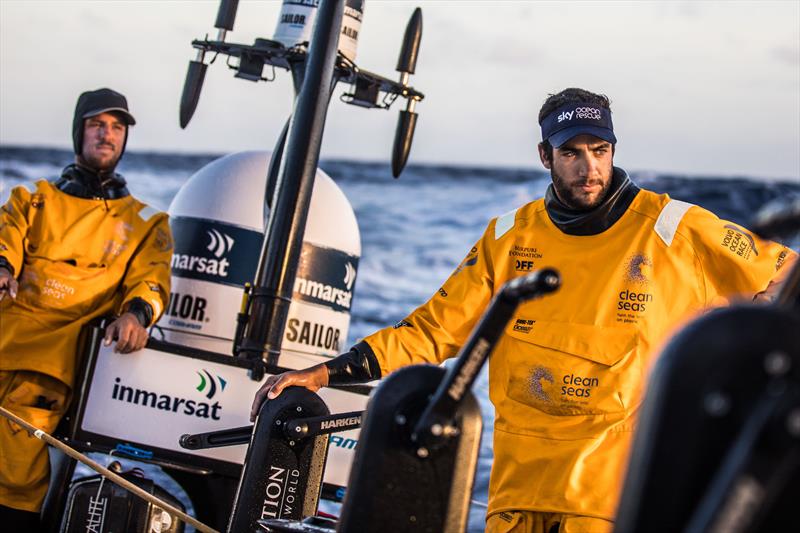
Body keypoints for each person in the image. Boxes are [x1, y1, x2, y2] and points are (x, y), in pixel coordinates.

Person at [249, 88, 797, 532]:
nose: (589, 168)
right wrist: (327, 371)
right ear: (545, 156)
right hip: (516, 495)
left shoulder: (676, 229)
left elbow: (783, 276)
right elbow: (431, 331)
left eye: (599, 150)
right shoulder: (510, 238)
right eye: (571, 153)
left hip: (609, 498)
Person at [0, 88, 172, 529]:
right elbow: (5, 242)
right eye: (98, 125)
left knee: (13, 482)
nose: (107, 135)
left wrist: (136, 314)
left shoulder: (146, 223)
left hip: (49, 373)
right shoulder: (31, 199)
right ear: (80, 131)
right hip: (6, 339)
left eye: (117, 128)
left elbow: (152, 279)